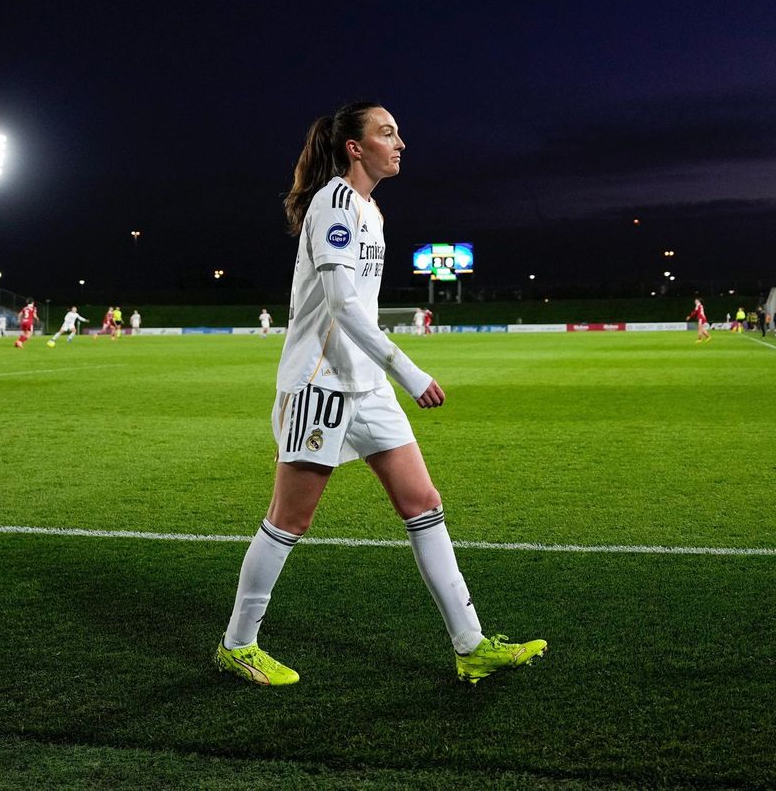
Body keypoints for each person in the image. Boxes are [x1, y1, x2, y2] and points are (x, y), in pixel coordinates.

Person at [215, 101, 545, 688]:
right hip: (321, 384)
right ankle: (238, 645)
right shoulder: (334, 203)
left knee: (423, 502)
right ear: (354, 148)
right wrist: (411, 372)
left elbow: (358, 309)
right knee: (290, 518)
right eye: (387, 133)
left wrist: (386, 376)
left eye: (398, 134)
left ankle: (470, 644)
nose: (400, 143)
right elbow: (342, 307)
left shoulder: (373, 211)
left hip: (366, 387)